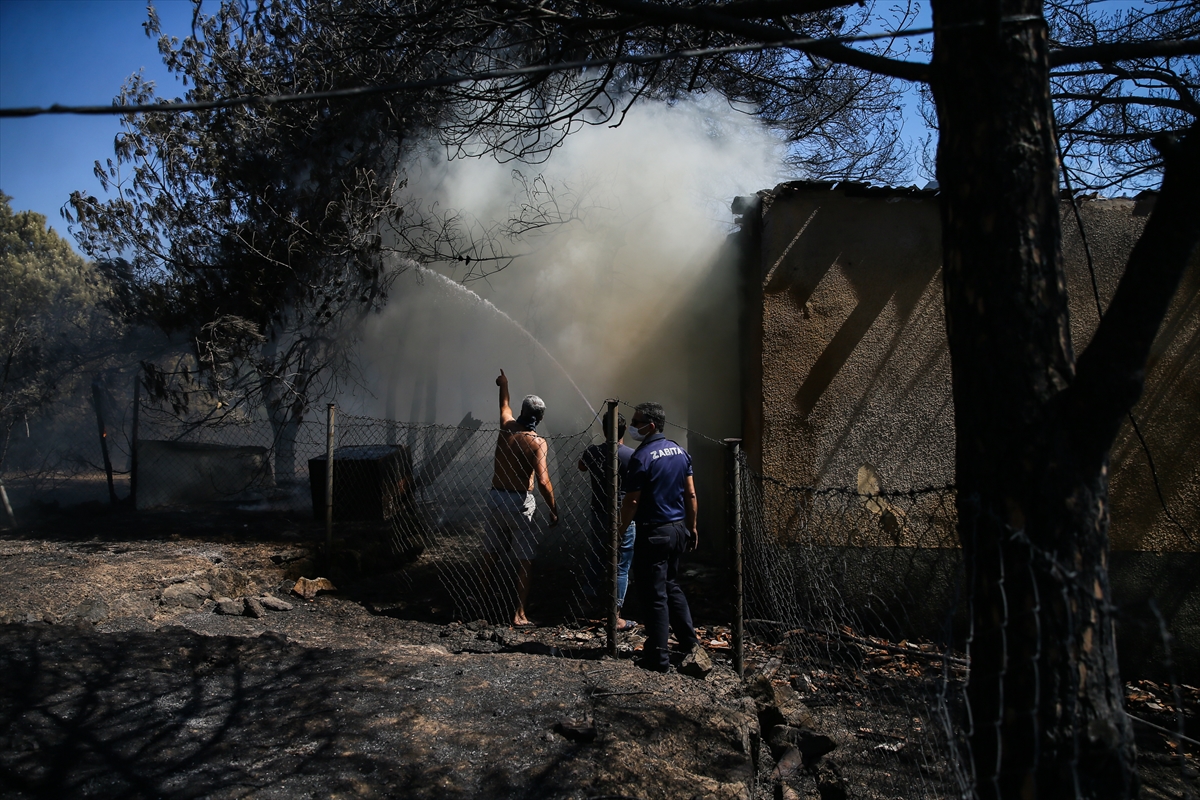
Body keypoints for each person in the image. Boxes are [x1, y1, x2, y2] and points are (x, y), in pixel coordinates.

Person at [618, 402, 701, 672]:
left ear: (650, 426)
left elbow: (631, 501)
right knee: (670, 585)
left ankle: (659, 658)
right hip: (678, 529)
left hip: (654, 531)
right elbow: (690, 494)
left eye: (637, 421)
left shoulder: (642, 457)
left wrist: (618, 531)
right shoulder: (680, 451)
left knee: (654, 595)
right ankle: (690, 643)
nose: (633, 426)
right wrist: (693, 527)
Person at [485, 369, 558, 626]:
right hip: (519, 502)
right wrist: (554, 508)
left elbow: (504, 404)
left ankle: (479, 603)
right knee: (525, 559)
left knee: (491, 553)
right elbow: (543, 481)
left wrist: (504, 383)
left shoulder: (506, 426)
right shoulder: (537, 442)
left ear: (522, 411)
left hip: (495, 498)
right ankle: (519, 613)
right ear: (539, 417)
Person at [578, 412, 637, 631]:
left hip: (599, 511)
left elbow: (581, 466)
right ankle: (616, 615)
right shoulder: (631, 456)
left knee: (597, 555)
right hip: (623, 515)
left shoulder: (593, 452)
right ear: (624, 431)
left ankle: (587, 600)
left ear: (604, 430)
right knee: (622, 565)